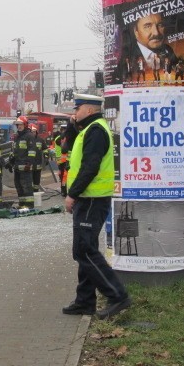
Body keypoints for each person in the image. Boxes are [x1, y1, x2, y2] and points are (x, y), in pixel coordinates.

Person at [62, 94, 131, 320]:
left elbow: (90, 167)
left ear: (90, 110)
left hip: (92, 198)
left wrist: (72, 194)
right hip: (89, 198)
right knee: (85, 248)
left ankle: (117, 295)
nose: (75, 111)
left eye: (78, 108)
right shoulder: (88, 129)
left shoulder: (96, 131)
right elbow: (67, 147)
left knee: (84, 250)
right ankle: (85, 301)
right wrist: (72, 126)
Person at [124, 12, 180, 82]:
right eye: (148, 26)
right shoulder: (126, 55)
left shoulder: (167, 49)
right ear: (136, 31)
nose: (156, 33)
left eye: (160, 25)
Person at [9, 116, 37, 209]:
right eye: (18, 125)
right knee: (19, 185)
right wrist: (11, 161)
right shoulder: (17, 136)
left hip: (25, 166)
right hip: (17, 166)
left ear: (25, 125)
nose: (19, 126)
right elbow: (15, 151)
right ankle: (22, 204)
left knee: (27, 186)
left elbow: (32, 151)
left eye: (21, 124)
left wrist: (29, 163)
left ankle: (29, 205)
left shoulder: (29, 136)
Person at [29, 123, 48, 194]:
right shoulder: (27, 140)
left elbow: (45, 149)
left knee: (36, 182)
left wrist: (46, 158)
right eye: (31, 132)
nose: (33, 133)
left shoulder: (40, 140)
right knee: (29, 181)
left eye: (34, 131)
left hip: (38, 165)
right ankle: (30, 194)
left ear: (36, 131)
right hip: (29, 165)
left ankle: (36, 193)